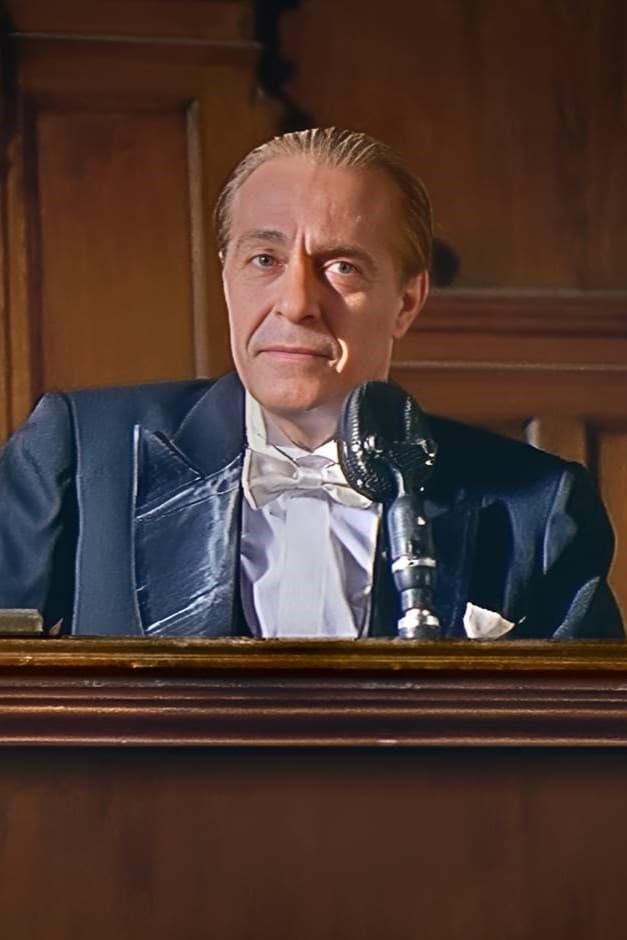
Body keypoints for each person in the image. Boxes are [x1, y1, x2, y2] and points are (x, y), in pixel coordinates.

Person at [0, 128, 622, 638]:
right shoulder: (78, 456)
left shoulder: (538, 508)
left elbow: (584, 740)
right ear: (227, 278)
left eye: (342, 266)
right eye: (264, 260)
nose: (296, 303)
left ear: (407, 301)